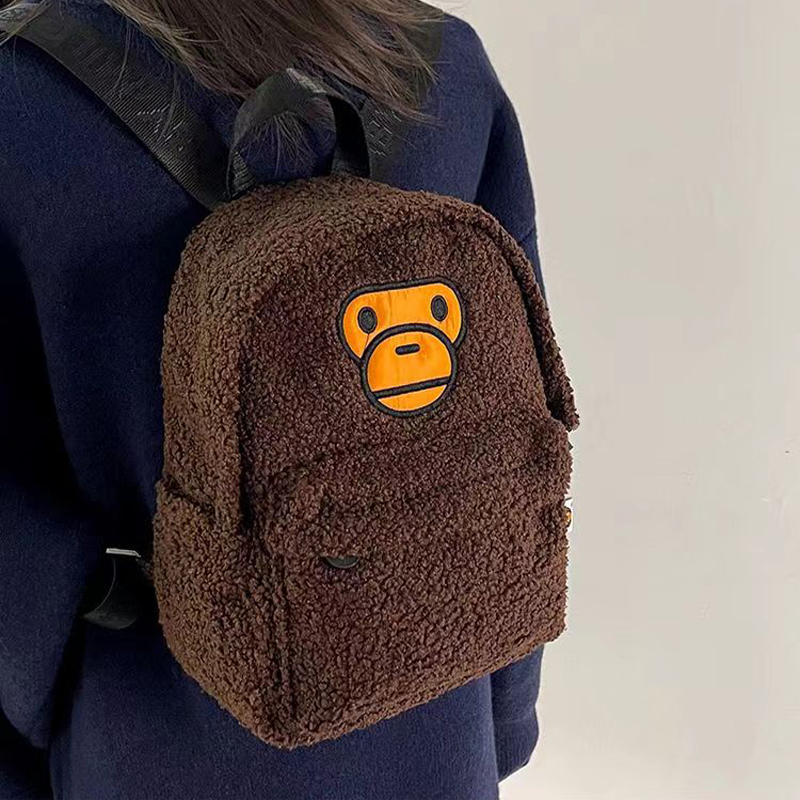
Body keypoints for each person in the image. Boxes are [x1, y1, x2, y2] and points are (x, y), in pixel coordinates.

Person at [0, 1, 551, 797]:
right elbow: (520, 431)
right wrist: (502, 714)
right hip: (435, 714)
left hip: (153, 725)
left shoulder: (22, 92)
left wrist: (57, 659)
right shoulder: (443, 66)